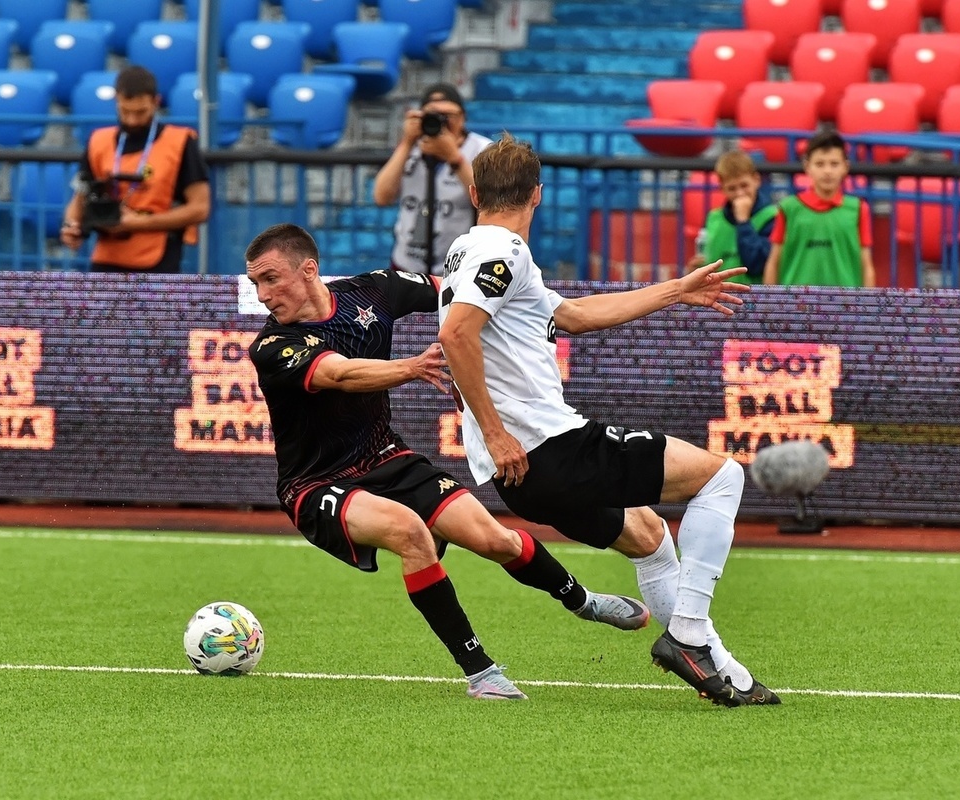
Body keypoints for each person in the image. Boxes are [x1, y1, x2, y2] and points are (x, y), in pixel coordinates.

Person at [437, 133, 780, 707]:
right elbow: (455, 334)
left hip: (520, 474)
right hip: (547, 448)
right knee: (723, 477)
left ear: (474, 192)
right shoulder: (504, 252)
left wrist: (675, 290)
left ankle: (724, 674)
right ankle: (689, 635)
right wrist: (498, 434)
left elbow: (571, 315)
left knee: (648, 536)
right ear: (538, 195)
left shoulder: (470, 251)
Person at [245, 223, 652, 701]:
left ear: (308, 269)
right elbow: (340, 373)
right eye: (256, 283)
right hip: (315, 485)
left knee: (494, 539)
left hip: (386, 458)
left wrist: (510, 313)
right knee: (409, 532)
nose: (263, 295)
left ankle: (583, 601)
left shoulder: (373, 290)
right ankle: (481, 672)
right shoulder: (270, 347)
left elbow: (461, 293)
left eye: (270, 279)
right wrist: (412, 367)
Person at [60, 65, 210, 274]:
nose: (132, 119)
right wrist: (71, 225)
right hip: (106, 257)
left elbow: (200, 208)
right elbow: (79, 197)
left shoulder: (180, 141)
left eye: (141, 112)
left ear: (156, 102)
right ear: (116, 100)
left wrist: (138, 223)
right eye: (125, 111)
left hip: (158, 259)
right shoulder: (98, 141)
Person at [372, 83, 492, 275]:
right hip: (407, 264)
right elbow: (381, 196)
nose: (442, 122)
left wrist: (454, 158)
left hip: (460, 266)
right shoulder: (411, 148)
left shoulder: (481, 149)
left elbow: (490, 200)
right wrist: (407, 142)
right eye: (433, 115)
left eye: (449, 116)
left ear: (463, 118)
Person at [764, 130, 875, 287]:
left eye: (834, 164)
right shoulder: (788, 208)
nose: (827, 171)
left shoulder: (858, 209)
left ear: (845, 167)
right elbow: (773, 262)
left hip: (846, 305)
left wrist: (867, 306)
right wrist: (770, 306)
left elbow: (867, 265)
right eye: (820, 164)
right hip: (796, 304)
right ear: (807, 166)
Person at [688, 149, 777, 285]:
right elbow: (706, 257)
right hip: (716, 298)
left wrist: (743, 221)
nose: (740, 193)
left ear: (756, 180)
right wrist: (695, 269)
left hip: (754, 299)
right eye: (732, 188)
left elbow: (757, 265)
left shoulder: (772, 217)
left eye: (744, 185)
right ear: (722, 188)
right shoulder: (713, 218)